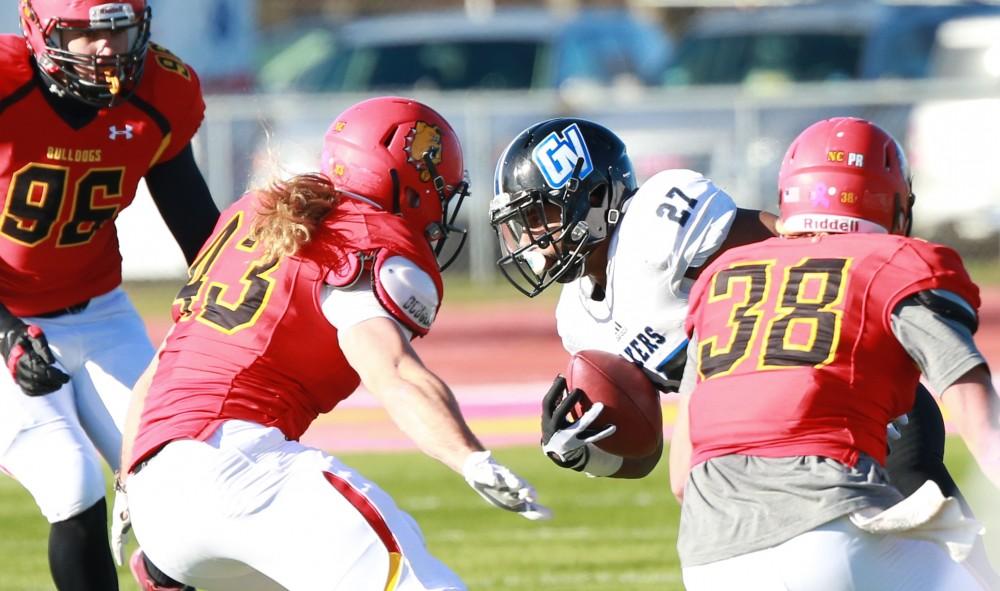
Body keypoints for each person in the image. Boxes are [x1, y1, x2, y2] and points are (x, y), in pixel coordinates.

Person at [488, 116, 1000, 584]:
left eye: (542, 215)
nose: (531, 237)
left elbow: (795, 240)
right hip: (755, 448)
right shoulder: (577, 319)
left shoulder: (655, 227)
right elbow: (652, 453)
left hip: (846, 388)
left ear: (597, 199)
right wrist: (590, 451)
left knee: (954, 557)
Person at [117, 96, 549, 591]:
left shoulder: (253, 218)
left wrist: (130, 490)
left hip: (158, 497)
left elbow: (157, 371)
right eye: (440, 190)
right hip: (242, 467)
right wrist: (469, 457)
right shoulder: (362, 243)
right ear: (408, 185)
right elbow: (393, 373)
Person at [671, 117, 1000, 590]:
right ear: (893, 203)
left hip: (708, 560)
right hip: (829, 535)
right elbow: (978, 419)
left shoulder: (722, 278)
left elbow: (682, 477)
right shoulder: (891, 264)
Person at [0, 1, 219, 590]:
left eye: (117, 30)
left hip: (100, 312)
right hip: (7, 314)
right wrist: (6, 334)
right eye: (83, 33)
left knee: (180, 473)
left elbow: (196, 221)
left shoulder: (159, 92)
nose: (106, 49)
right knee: (69, 478)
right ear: (40, 30)